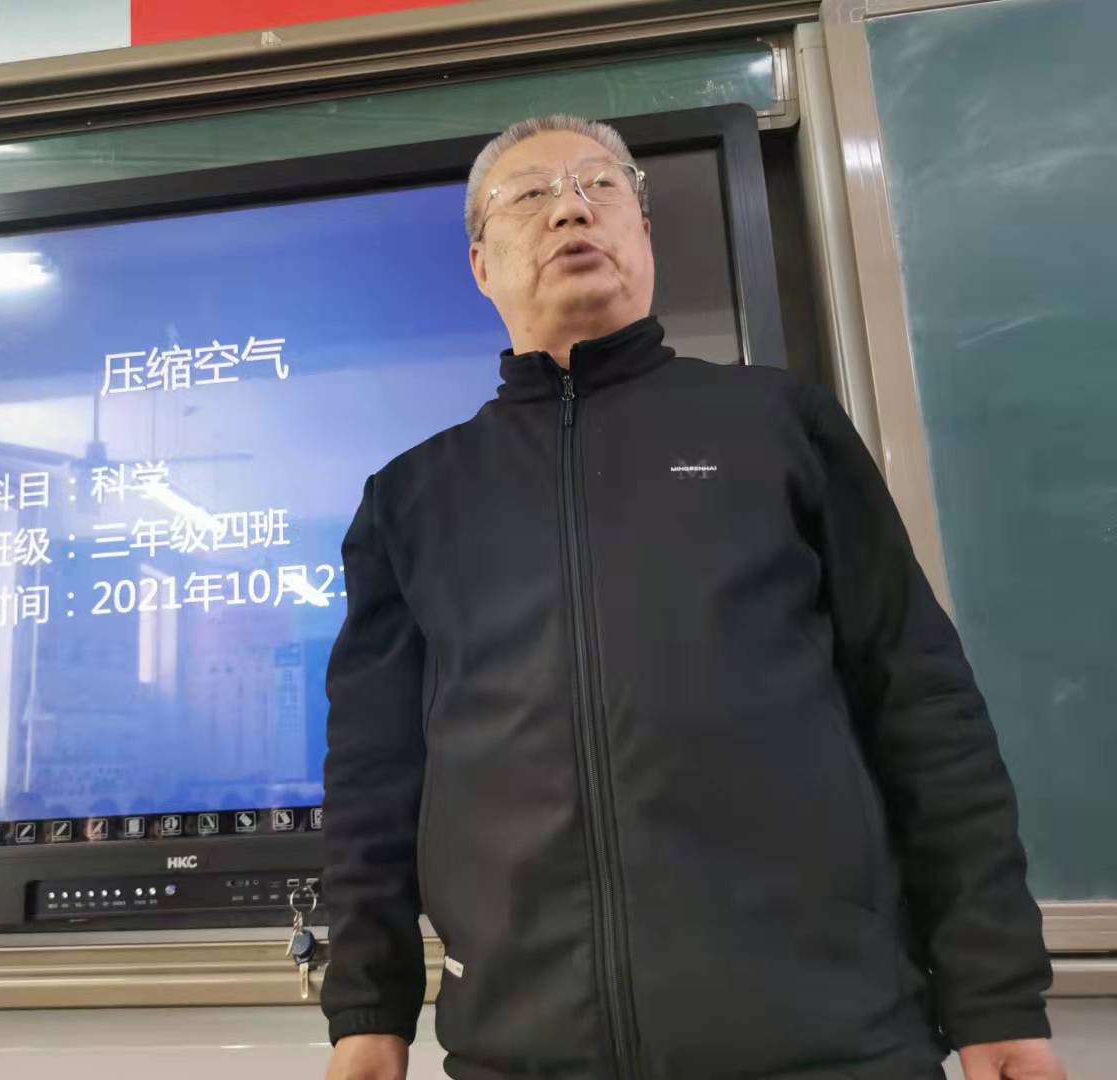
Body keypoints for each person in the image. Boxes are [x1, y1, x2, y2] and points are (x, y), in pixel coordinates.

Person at [319, 115, 1064, 1080]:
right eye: (530, 195)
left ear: (643, 233)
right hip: (525, 1054)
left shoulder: (778, 425)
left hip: (831, 1041)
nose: (571, 210)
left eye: (601, 186)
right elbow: (374, 776)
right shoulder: (413, 498)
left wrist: (993, 992)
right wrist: (367, 1009)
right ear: (480, 265)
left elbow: (921, 707)